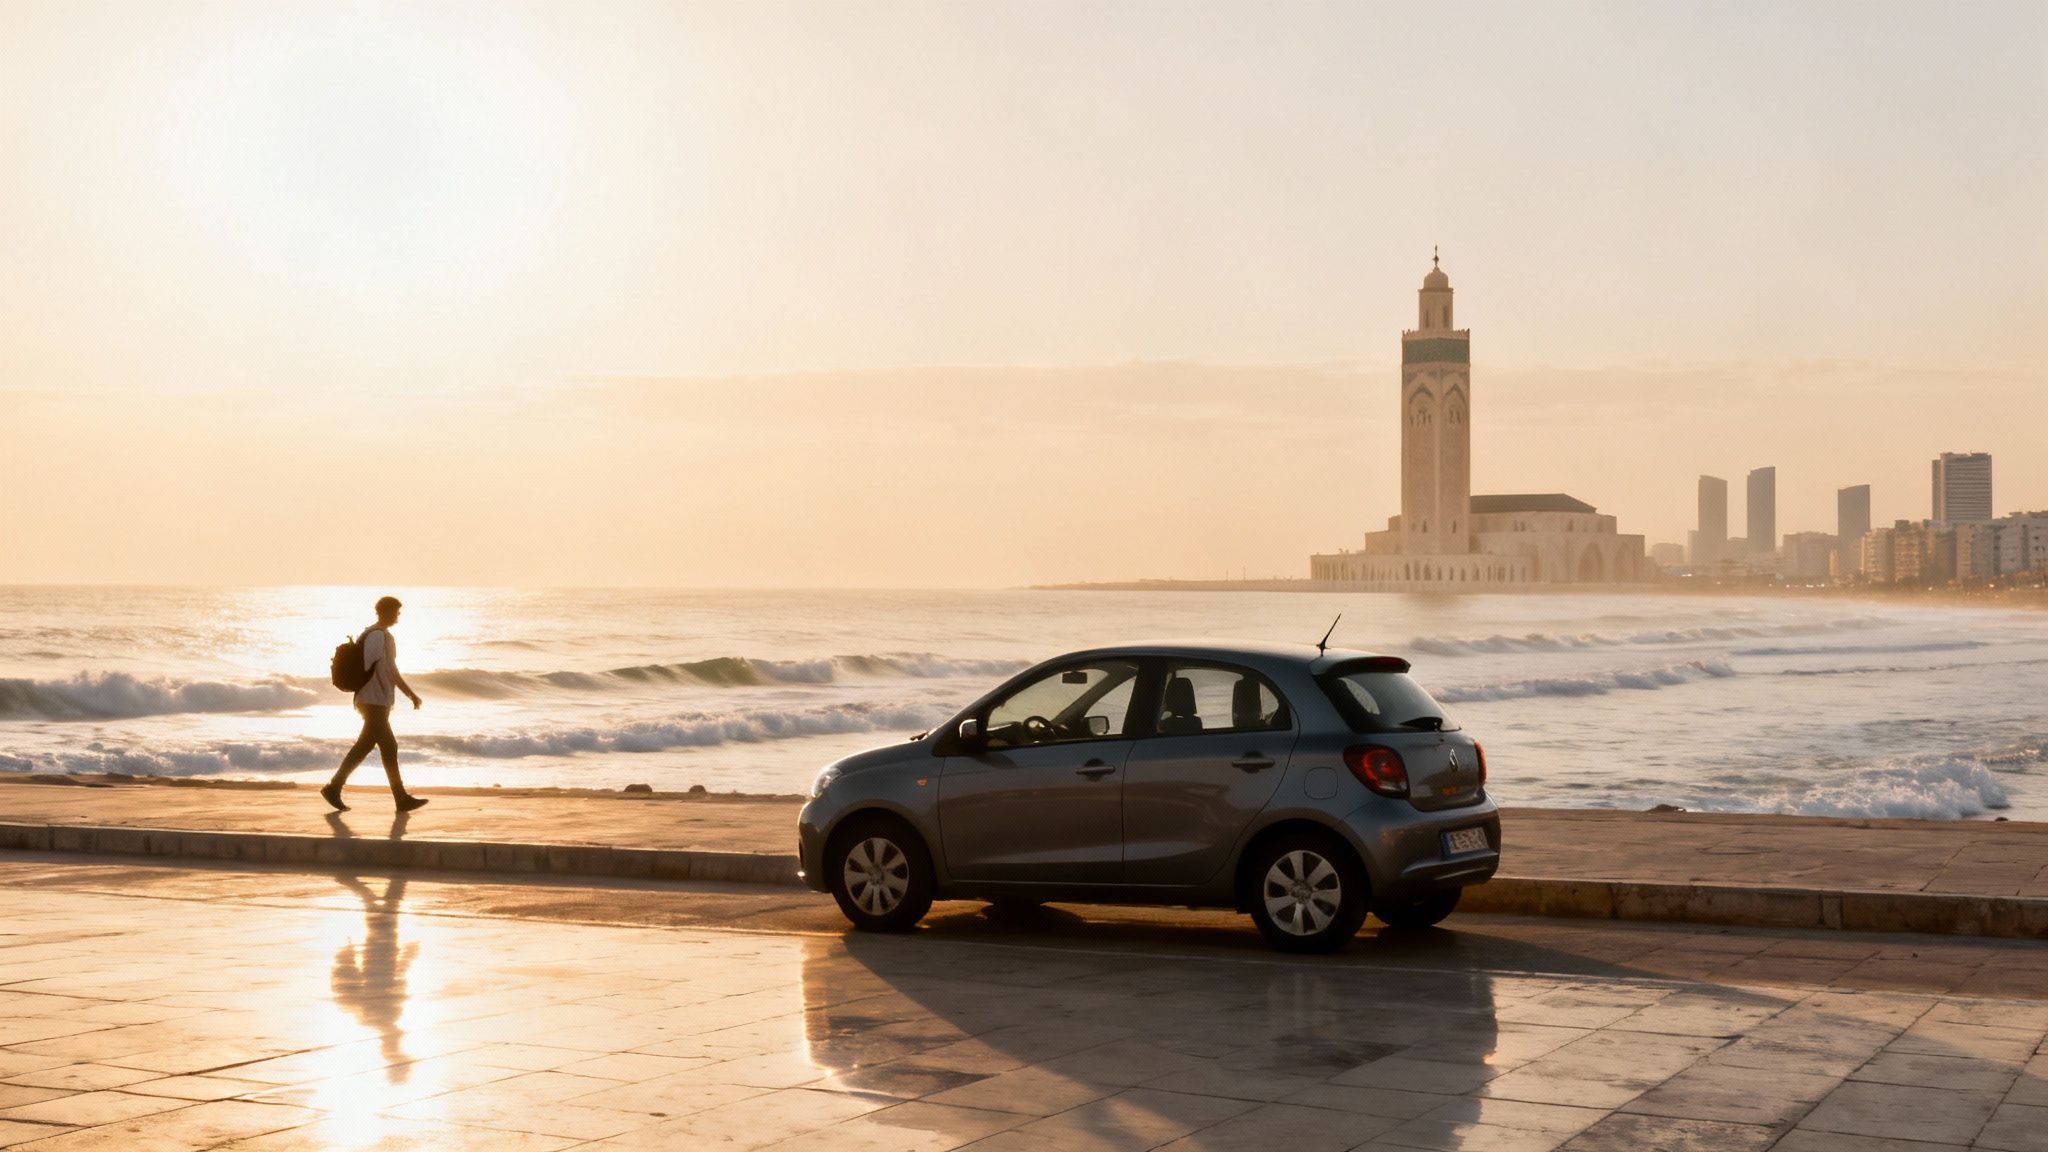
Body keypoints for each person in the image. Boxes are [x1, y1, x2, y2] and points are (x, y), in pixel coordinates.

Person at [322, 596, 428, 813]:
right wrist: (410, 694)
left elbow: (381, 668)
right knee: (386, 746)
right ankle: (398, 798)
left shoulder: (370, 634)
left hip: (372, 700)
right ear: (388, 612)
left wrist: (404, 693)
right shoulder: (380, 636)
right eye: (397, 612)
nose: (398, 616)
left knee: (373, 746)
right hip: (374, 701)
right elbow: (387, 670)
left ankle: (335, 788)